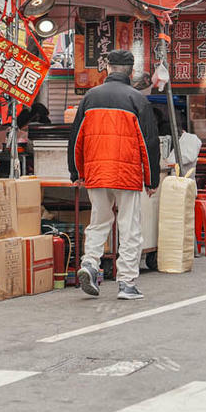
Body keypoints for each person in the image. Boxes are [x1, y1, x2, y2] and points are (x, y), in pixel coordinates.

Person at [67, 49, 158, 301]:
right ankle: (127, 283)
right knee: (129, 227)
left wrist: (76, 171)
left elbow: (76, 139)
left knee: (99, 221)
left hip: (96, 172)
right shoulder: (137, 99)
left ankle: (89, 264)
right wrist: (151, 180)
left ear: (107, 69)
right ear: (130, 72)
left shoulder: (89, 97)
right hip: (127, 174)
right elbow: (149, 143)